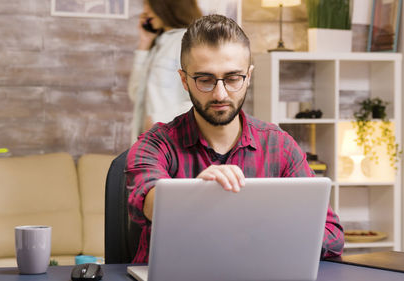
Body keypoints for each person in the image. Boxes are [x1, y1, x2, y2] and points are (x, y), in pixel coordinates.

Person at [126, 14, 344, 264]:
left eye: (232, 79)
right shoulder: (154, 144)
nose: (220, 93)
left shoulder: (280, 146)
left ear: (248, 76)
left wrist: (260, 232)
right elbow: (146, 200)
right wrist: (194, 196)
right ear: (184, 80)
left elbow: (331, 234)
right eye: (205, 80)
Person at [128, 0, 202, 143]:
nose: (145, 12)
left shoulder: (189, 41)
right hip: (148, 145)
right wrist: (144, 43)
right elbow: (135, 93)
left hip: (172, 141)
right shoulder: (159, 44)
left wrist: (159, 118)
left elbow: (202, 99)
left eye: (149, 6)